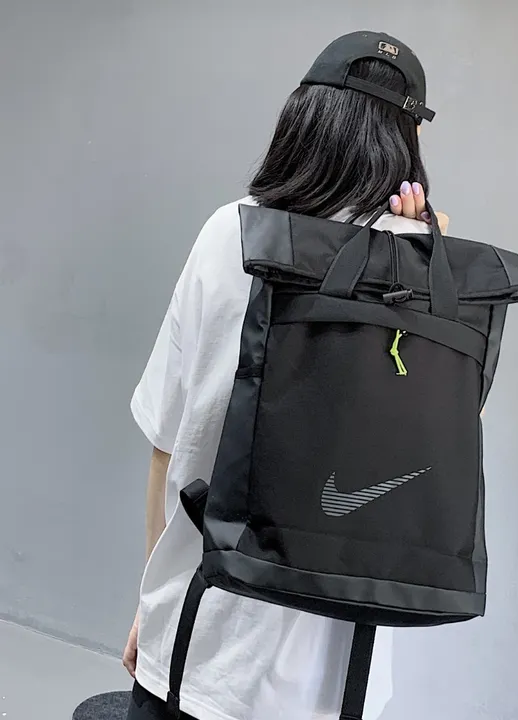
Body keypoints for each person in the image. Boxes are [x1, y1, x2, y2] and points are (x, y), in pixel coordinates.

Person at [124, 31, 449, 720]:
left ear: (303, 117)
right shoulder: (421, 274)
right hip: (331, 685)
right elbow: (440, 456)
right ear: (407, 144)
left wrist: (152, 608)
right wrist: (432, 266)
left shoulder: (227, 233)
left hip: (190, 644)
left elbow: (164, 445)